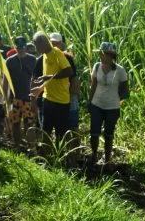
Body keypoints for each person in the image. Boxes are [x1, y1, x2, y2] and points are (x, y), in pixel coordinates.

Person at [87, 42, 129, 171]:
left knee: (109, 134)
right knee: (94, 133)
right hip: (97, 104)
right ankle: (93, 156)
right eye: (100, 53)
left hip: (112, 107)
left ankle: (107, 160)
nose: (101, 56)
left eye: (104, 54)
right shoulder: (97, 66)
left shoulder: (120, 71)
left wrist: (115, 98)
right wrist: (90, 101)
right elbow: (93, 84)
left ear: (111, 56)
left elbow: (126, 90)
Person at [30, 32, 73, 156]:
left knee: (61, 132)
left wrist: (49, 77)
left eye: (37, 46)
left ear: (43, 42)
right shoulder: (44, 56)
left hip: (61, 101)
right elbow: (49, 79)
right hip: (47, 99)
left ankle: (61, 157)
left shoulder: (56, 53)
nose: (37, 49)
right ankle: (48, 158)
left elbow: (69, 71)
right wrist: (40, 88)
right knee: (46, 131)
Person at [49, 33, 81, 166]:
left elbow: (74, 78)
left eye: (57, 42)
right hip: (54, 97)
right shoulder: (46, 57)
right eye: (52, 42)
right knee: (59, 127)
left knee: (73, 126)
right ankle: (61, 153)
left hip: (68, 96)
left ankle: (76, 153)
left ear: (61, 43)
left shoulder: (67, 57)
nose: (55, 45)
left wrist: (73, 97)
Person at [5, 36, 38, 155]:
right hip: (15, 98)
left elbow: (37, 79)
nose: (20, 49)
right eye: (18, 46)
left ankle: (32, 148)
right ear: (15, 47)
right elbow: (5, 80)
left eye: (23, 46)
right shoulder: (10, 61)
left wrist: (36, 97)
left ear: (26, 46)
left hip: (29, 97)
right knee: (15, 123)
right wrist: (5, 95)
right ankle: (17, 146)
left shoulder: (33, 60)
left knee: (29, 123)